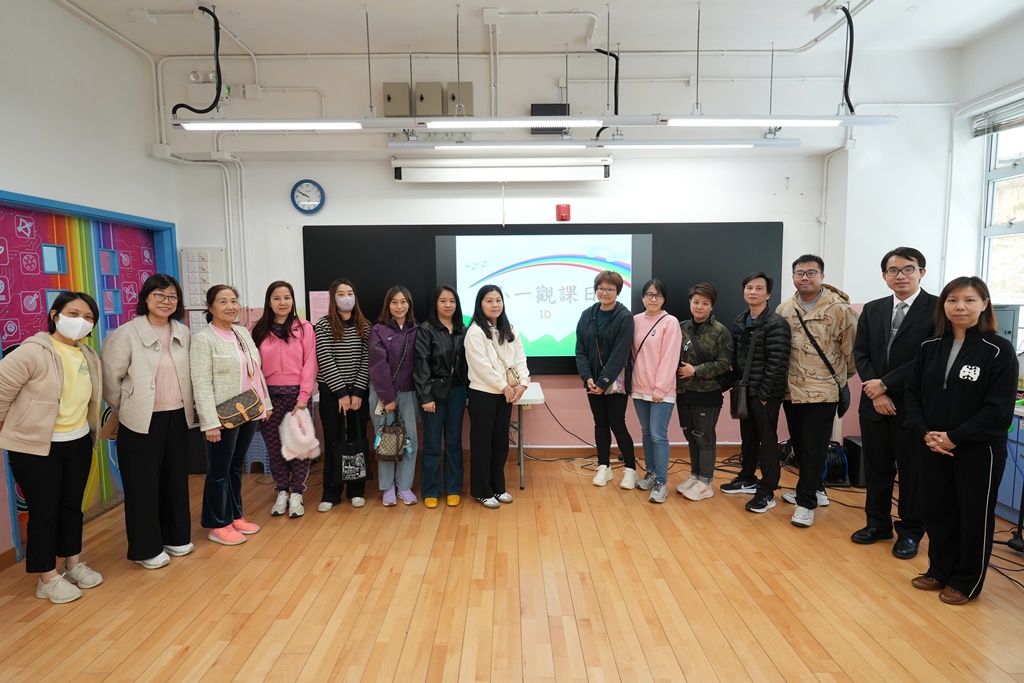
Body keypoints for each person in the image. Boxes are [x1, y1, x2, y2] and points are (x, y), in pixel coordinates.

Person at [904, 276, 1018, 605]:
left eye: (969, 300)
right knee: (937, 510)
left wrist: (955, 437)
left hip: (977, 449)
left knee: (973, 515)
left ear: (984, 305)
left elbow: (997, 409)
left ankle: (967, 581)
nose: (960, 307)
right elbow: (912, 394)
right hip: (931, 445)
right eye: (952, 300)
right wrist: (925, 432)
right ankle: (939, 570)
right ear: (943, 305)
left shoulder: (998, 351)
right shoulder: (929, 347)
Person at [0, 292, 104, 603]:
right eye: (73, 313)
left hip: (78, 441)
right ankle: (46, 577)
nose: (81, 321)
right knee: (44, 512)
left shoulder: (87, 354)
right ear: (55, 315)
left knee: (71, 507)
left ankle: (72, 563)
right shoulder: (32, 351)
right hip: (36, 448)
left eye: (88, 317)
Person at [102, 274, 195, 571]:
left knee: (175, 481)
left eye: (172, 296)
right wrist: (131, 407)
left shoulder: (183, 332)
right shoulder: (125, 334)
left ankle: (176, 537)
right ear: (146, 298)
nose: (166, 301)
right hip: (141, 421)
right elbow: (110, 383)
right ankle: (147, 548)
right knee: (143, 487)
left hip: (178, 417)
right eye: (159, 295)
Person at [852, 248, 937, 559]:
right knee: (877, 468)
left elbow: (927, 357)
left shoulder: (937, 308)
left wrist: (886, 385)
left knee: (913, 473)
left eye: (908, 269)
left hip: (913, 406)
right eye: (893, 270)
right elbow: (861, 353)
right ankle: (877, 524)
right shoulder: (873, 309)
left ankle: (911, 532)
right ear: (884, 275)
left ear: (921, 272)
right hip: (874, 403)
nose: (900, 276)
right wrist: (877, 392)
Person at [776, 255, 857, 528]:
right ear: (793, 277)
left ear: (822, 276)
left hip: (823, 391)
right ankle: (816, 489)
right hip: (791, 390)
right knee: (800, 445)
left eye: (811, 272)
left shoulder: (839, 309)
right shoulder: (785, 308)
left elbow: (852, 353)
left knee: (814, 447)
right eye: (799, 273)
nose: (805, 278)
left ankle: (805, 503)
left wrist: (836, 379)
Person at [191, 285, 272, 545]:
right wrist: (209, 423)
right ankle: (218, 524)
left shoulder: (241, 332)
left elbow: (256, 370)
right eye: (223, 301)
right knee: (219, 470)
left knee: (236, 467)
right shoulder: (203, 338)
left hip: (248, 408)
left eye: (234, 301)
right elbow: (201, 383)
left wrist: (265, 403)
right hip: (222, 414)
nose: (230, 306)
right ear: (210, 306)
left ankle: (235, 516)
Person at [720, 272, 792, 514]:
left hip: (765, 394)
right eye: (749, 287)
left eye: (759, 288)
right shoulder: (740, 320)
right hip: (745, 390)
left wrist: (764, 394)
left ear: (768, 294)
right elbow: (736, 357)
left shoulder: (776, 323)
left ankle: (767, 490)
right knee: (748, 438)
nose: (753, 292)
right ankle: (747, 477)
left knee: (767, 442)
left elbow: (778, 362)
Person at [252, 281, 318, 519]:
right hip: (269, 398)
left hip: (297, 397)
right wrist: (261, 399)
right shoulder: (258, 330)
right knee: (275, 448)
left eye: (287, 297)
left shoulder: (305, 328)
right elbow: (253, 368)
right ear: (269, 302)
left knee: (299, 447)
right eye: (277, 298)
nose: (283, 302)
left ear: (293, 300)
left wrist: (304, 396)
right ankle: (282, 490)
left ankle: (297, 492)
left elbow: (310, 363)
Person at [465, 285, 530, 508]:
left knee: (500, 443)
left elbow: (520, 358)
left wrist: (523, 383)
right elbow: (480, 366)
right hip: (483, 394)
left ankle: (497, 487)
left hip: (506, 395)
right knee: (482, 444)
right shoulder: (475, 332)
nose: (495, 305)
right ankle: (482, 491)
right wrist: (504, 386)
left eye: (498, 300)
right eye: (489, 301)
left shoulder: (508, 329)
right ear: (480, 304)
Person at [575, 270, 637, 489]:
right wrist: (587, 378)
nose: (605, 292)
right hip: (592, 381)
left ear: (617, 291)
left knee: (617, 424)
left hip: (615, 381)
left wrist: (603, 382)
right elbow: (580, 349)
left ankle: (630, 469)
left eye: (610, 289)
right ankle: (604, 467)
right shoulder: (587, 315)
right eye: (601, 288)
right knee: (600, 423)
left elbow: (621, 353)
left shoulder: (624, 317)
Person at [314, 278, 371, 511]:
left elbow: (367, 360)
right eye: (341, 294)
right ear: (333, 298)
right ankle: (331, 492)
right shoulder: (323, 325)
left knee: (358, 439)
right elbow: (325, 359)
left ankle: (356, 490)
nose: (346, 297)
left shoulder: (364, 325)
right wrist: (341, 393)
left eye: (350, 293)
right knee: (333, 441)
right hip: (332, 394)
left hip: (358, 393)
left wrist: (357, 392)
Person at [675, 283, 733, 502]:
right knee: (690, 436)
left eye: (705, 303)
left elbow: (724, 364)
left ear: (712, 306)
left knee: (704, 438)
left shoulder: (720, 331)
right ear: (690, 303)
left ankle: (706, 482)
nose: (699, 307)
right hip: (683, 391)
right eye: (696, 302)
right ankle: (695, 475)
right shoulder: (681, 327)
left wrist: (696, 370)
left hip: (707, 393)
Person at [414, 285, 469, 508]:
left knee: (454, 442)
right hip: (433, 393)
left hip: (458, 392)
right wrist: (426, 397)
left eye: (452, 301)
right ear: (435, 304)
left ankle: (454, 488)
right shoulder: (426, 329)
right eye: (443, 301)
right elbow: (421, 365)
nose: (448, 305)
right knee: (432, 443)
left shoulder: (463, 329)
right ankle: (431, 490)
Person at [632, 279, 683, 504]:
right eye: (649, 295)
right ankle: (651, 473)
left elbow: (670, 357)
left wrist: (660, 388)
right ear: (643, 297)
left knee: (658, 435)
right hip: (639, 387)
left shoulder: (670, 322)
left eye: (658, 295)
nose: (653, 299)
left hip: (661, 390)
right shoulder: (635, 320)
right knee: (646, 432)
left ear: (664, 299)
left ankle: (661, 482)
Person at [368, 286, 420, 506]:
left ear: (409, 304)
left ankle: (404, 486)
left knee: (410, 440)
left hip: (409, 392)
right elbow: (377, 366)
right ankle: (387, 486)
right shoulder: (378, 330)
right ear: (387, 305)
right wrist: (388, 397)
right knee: (386, 440)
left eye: (403, 302)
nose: (399, 306)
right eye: (394, 302)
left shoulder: (416, 329)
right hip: (382, 394)